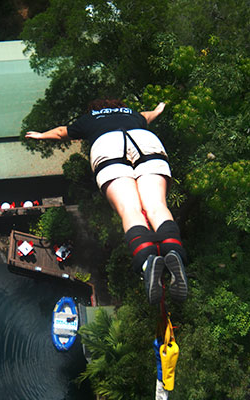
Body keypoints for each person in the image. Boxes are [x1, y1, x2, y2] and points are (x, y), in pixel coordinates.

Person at [26, 99, 188, 305]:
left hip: (108, 146)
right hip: (146, 142)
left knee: (130, 209)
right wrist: (159, 109)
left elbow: (60, 132)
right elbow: (147, 116)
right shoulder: (132, 113)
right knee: (157, 206)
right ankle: (173, 252)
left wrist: (41, 135)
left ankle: (148, 261)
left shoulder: (90, 119)